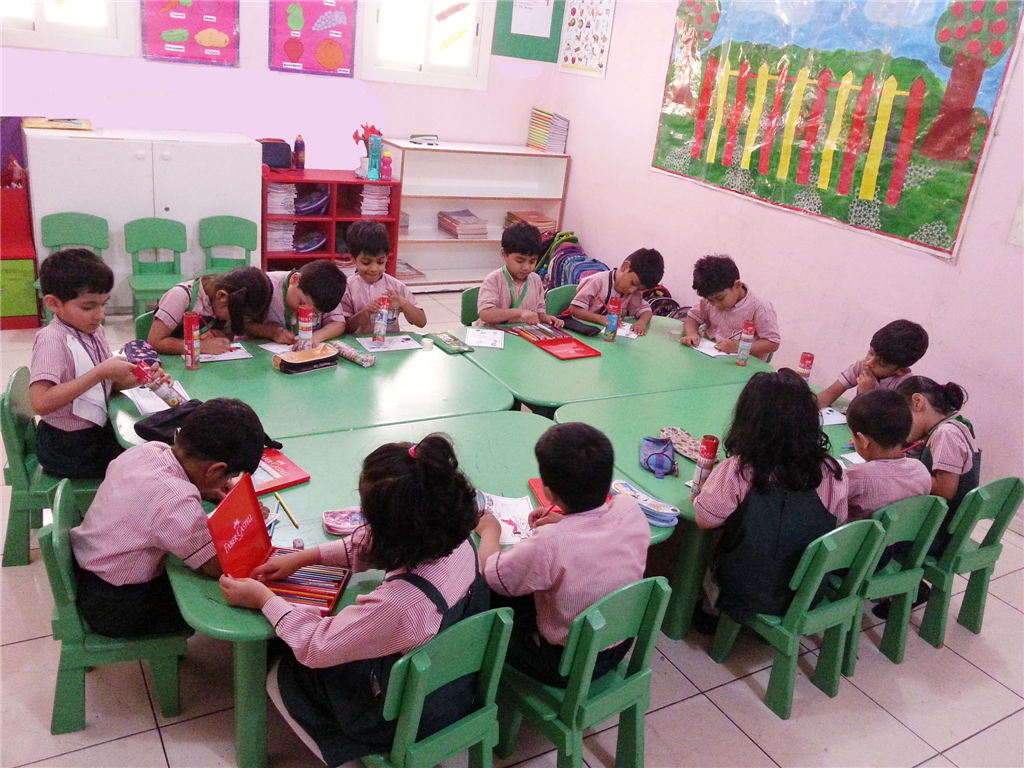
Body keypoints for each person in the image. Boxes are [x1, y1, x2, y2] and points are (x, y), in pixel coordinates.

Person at [220, 434, 486, 767]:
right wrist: (304, 558)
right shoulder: (454, 540)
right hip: (454, 688)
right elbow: (372, 544)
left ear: (394, 530)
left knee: (283, 671)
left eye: (369, 514)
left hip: (404, 717)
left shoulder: (399, 603)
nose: (364, 519)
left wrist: (264, 599)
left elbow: (316, 645)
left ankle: (347, 757)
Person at [70, 398, 265, 638]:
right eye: (228, 476)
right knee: (225, 600)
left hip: (92, 572)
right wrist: (247, 522)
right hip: (118, 606)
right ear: (214, 470)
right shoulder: (176, 501)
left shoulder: (149, 450)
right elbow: (216, 566)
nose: (226, 482)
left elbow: (156, 497)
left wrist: (206, 488)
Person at [474, 423, 649, 687]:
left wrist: (490, 531)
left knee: (482, 597)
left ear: (548, 493)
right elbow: (595, 537)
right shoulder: (630, 509)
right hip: (619, 643)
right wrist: (564, 522)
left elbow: (491, 574)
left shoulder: (549, 544)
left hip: (564, 664)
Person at [695, 370, 847, 624]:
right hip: (807, 592)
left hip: (746, 593)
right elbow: (839, 523)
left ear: (748, 420)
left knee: (728, 539)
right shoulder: (832, 471)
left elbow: (705, 521)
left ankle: (710, 612)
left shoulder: (739, 469)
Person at [29, 248, 170, 478]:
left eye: (104, 304)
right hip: (67, 447)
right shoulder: (52, 340)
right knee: (156, 462)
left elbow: (103, 386)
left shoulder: (93, 331)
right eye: (88, 306)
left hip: (94, 431)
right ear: (54, 303)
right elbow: (40, 402)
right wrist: (100, 372)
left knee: (160, 443)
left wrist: (140, 378)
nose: (99, 314)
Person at [844, 390, 933, 521]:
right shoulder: (921, 471)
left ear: (863, 440)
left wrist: (854, 473)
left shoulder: (854, 478)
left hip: (856, 535)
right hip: (902, 533)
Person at [147, 266, 273, 355]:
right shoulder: (180, 296)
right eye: (234, 316)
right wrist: (200, 346)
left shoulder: (230, 301)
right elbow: (155, 342)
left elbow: (230, 335)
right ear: (221, 296)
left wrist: (221, 336)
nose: (232, 320)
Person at [682, 254, 780, 360]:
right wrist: (692, 334)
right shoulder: (709, 301)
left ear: (737, 286)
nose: (715, 304)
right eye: (710, 300)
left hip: (744, 362)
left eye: (720, 298)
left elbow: (772, 343)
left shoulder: (760, 307)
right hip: (711, 356)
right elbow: (692, 318)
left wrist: (737, 347)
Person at [816, 320, 928, 408]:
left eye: (881, 363)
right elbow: (830, 393)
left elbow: (886, 422)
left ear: (901, 370)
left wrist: (867, 394)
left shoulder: (905, 385)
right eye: (871, 353)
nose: (869, 362)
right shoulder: (862, 364)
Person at [340, 221, 426, 335]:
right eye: (366, 262)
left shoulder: (396, 286)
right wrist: (364, 313)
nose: (374, 269)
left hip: (390, 343)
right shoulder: (347, 288)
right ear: (353, 259)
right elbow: (343, 329)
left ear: (386, 258)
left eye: (380, 262)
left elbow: (421, 322)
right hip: (357, 343)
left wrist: (404, 303)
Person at [477, 222, 563, 327]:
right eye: (520, 260)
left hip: (519, 332)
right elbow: (485, 314)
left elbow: (538, 313)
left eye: (532, 261)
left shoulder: (536, 280)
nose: (526, 267)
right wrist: (519, 312)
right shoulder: (494, 279)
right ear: (504, 254)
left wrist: (546, 318)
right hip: (492, 333)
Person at [245, 260, 348, 346]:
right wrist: (271, 332)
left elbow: (338, 324)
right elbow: (241, 324)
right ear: (295, 279)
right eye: (301, 303)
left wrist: (317, 336)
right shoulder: (262, 286)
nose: (305, 313)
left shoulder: (327, 291)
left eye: (314, 314)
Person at [567, 248, 664, 336]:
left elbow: (646, 311)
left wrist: (641, 322)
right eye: (633, 283)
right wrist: (601, 319)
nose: (632, 290)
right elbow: (574, 310)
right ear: (625, 267)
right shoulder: (597, 281)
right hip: (580, 332)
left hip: (604, 336)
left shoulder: (634, 293)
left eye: (639, 289)